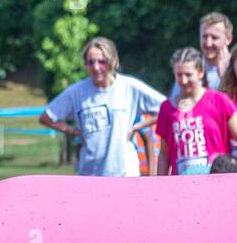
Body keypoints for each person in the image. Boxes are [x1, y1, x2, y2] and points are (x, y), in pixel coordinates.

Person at [39, 37, 166, 176]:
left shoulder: (129, 87)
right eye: (90, 62)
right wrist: (74, 131)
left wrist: (138, 126)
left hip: (125, 172)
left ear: (113, 61)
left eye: (102, 62)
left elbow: (168, 108)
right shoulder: (76, 92)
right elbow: (46, 117)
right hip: (90, 173)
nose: (96, 67)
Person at [155, 47, 237, 176]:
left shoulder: (219, 101)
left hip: (216, 181)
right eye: (179, 75)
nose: (183, 80)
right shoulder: (167, 108)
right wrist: (159, 185)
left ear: (200, 72)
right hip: (181, 185)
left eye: (188, 75)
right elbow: (164, 154)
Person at [170, 12, 232, 101]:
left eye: (214, 37)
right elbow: (176, 106)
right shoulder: (188, 68)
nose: (208, 43)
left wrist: (226, 78)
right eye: (204, 37)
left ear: (228, 39)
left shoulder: (234, 69)